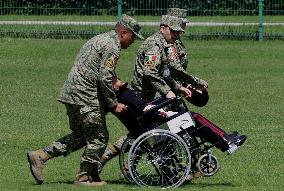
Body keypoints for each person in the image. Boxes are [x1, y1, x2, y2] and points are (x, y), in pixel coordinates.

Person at [26, 14, 144, 187]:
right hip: (86, 96)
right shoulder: (113, 45)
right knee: (99, 137)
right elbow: (104, 77)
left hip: (71, 94)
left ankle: (41, 156)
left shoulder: (100, 38)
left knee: (83, 136)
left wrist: (115, 80)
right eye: (132, 36)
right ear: (123, 32)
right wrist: (113, 104)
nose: (133, 41)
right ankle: (82, 178)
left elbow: (98, 68)